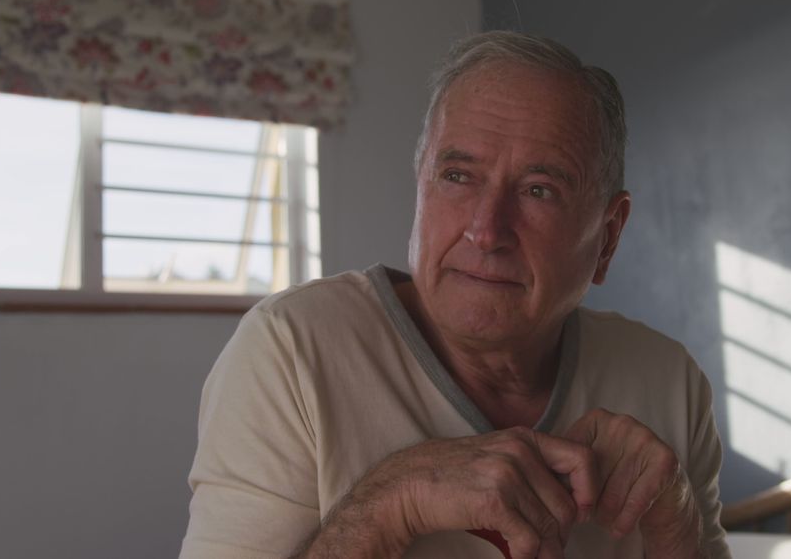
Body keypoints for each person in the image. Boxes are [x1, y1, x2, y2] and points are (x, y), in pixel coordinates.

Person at [179, 31, 730, 559]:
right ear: (421, 185)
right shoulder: (291, 351)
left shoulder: (670, 383)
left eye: (539, 191)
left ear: (608, 236)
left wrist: (676, 530)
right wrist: (391, 506)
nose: (487, 231)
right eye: (458, 176)